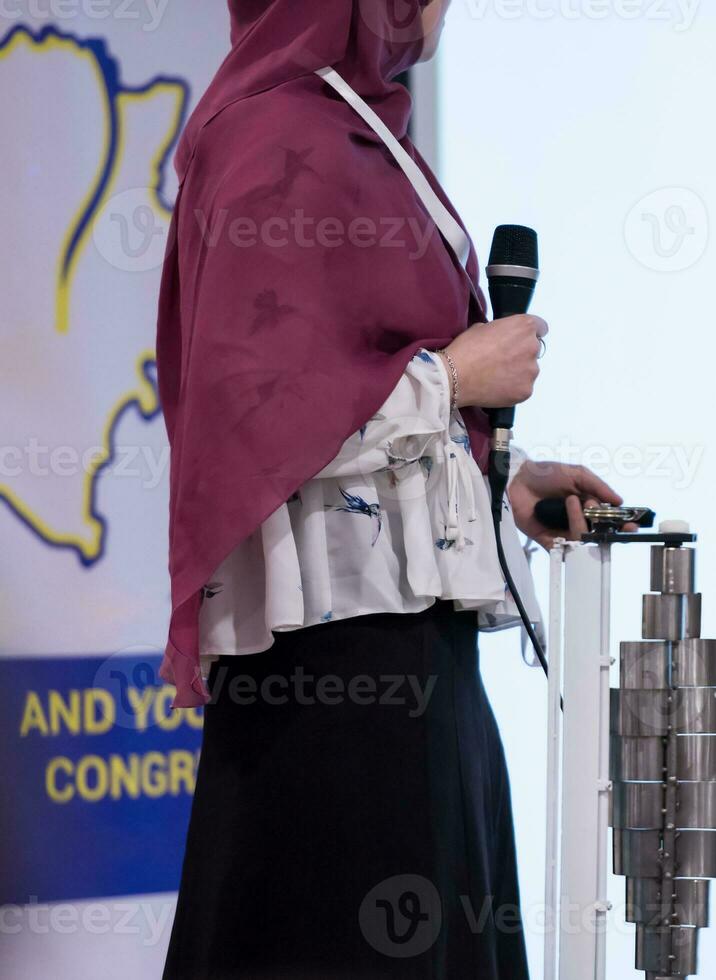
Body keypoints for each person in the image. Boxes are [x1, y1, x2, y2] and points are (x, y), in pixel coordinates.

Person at [155, 3, 614, 976]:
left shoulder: (366, 126)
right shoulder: (272, 133)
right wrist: (455, 378)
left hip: (422, 669)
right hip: (331, 691)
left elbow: (351, 391)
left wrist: (510, 485)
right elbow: (252, 410)